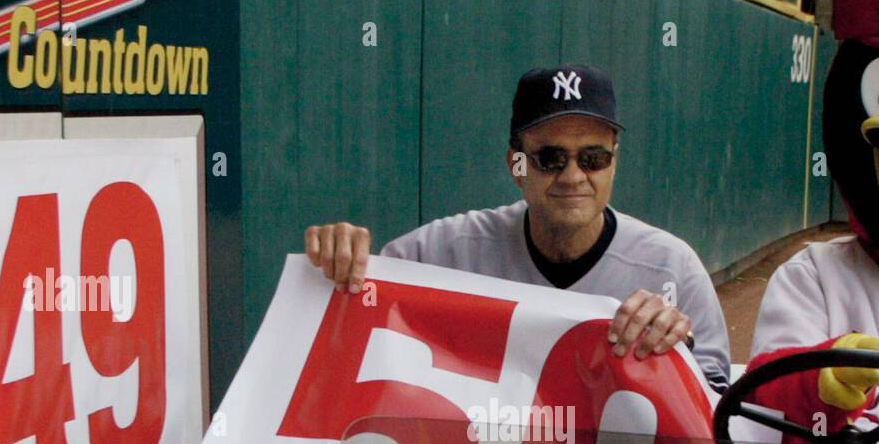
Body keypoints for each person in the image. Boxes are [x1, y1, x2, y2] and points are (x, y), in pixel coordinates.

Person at [306, 64, 730, 392]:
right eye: (550, 158)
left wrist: (679, 351)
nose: (572, 176)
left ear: (613, 162)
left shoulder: (672, 269)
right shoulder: (451, 250)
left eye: (593, 158)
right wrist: (337, 260)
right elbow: (359, 305)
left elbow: (716, 413)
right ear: (517, 165)